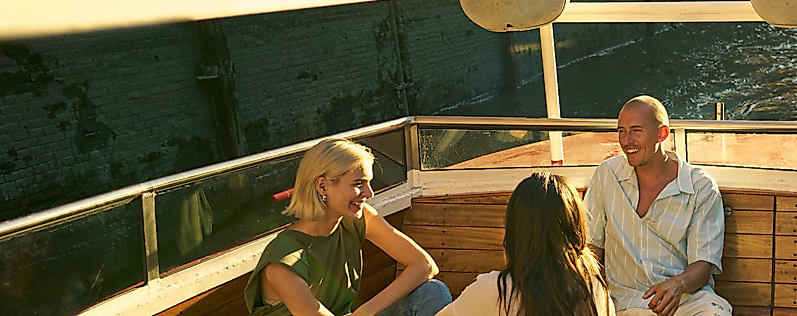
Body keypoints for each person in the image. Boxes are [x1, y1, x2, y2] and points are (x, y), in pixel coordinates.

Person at [247, 138, 452, 316]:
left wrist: (364, 312)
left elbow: (425, 265)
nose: (369, 193)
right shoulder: (283, 262)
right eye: (358, 184)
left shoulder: (357, 219)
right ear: (322, 186)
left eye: (369, 183)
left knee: (432, 292)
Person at [583, 96, 731, 316]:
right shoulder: (606, 175)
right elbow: (591, 248)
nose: (627, 140)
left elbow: (703, 263)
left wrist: (677, 285)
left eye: (636, 131)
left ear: (662, 134)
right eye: (621, 131)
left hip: (688, 302)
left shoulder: (701, 187)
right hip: (626, 304)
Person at [436, 173, 613, 316]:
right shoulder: (594, 288)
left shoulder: (495, 290)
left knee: (433, 291)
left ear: (516, 230)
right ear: (575, 228)